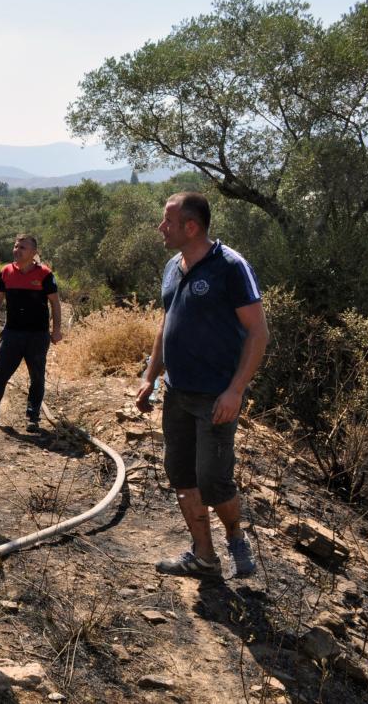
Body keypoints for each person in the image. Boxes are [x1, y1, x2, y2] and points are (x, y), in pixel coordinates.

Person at [136, 192, 268, 578]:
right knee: (181, 475)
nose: (161, 228)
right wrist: (151, 376)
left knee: (214, 481)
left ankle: (235, 538)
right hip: (176, 393)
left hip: (216, 397)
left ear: (190, 227)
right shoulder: (171, 267)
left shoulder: (230, 266)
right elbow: (167, 323)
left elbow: (258, 333)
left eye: (167, 221)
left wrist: (236, 390)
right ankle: (204, 557)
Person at [0, 235, 63, 433]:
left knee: (36, 377)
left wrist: (56, 330)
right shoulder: (6, 272)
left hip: (37, 335)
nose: (17, 250)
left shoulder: (45, 274)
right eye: (16, 246)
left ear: (34, 253)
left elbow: (55, 303)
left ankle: (33, 417)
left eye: (23, 248)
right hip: (12, 333)